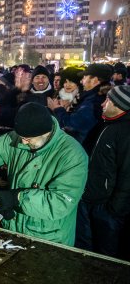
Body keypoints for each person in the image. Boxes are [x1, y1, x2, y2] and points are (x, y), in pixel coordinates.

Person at [0, 102, 88, 246]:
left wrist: (17, 198)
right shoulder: (21, 137)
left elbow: (60, 202)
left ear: (45, 133)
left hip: (48, 238)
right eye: (21, 136)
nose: (22, 141)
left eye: (28, 139)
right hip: (13, 229)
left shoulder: (73, 155)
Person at [75, 86, 130, 258]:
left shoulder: (125, 132)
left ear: (120, 105)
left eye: (108, 101)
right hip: (89, 198)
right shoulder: (106, 123)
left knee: (105, 254)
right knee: (86, 248)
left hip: (105, 207)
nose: (102, 104)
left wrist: (114, 209)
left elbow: (128, 175)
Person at [48, 64, 113, 149]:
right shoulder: (92, 97)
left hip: (81, 148)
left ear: (95, 80)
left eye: (85, 77)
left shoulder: (93, 102)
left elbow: (72, 125)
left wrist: (57, 109)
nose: (82, 81)